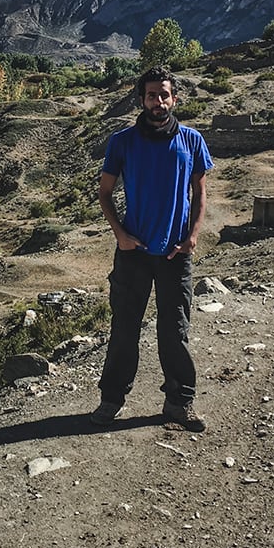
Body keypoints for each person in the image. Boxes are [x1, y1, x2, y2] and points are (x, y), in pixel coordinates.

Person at [91, 65, 213, 432]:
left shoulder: (192, 141)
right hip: (133, 252)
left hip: (176, 254)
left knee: (175, 330)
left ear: (174, 98)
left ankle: (179, 403)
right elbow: (105, 193)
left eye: (164, 95)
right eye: (151, 95)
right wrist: (120, 235)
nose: (158, 102)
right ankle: (111, 400)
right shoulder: (122, 142)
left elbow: (200, 192)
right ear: (141, 100)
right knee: (124, 329)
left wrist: (192, 235)